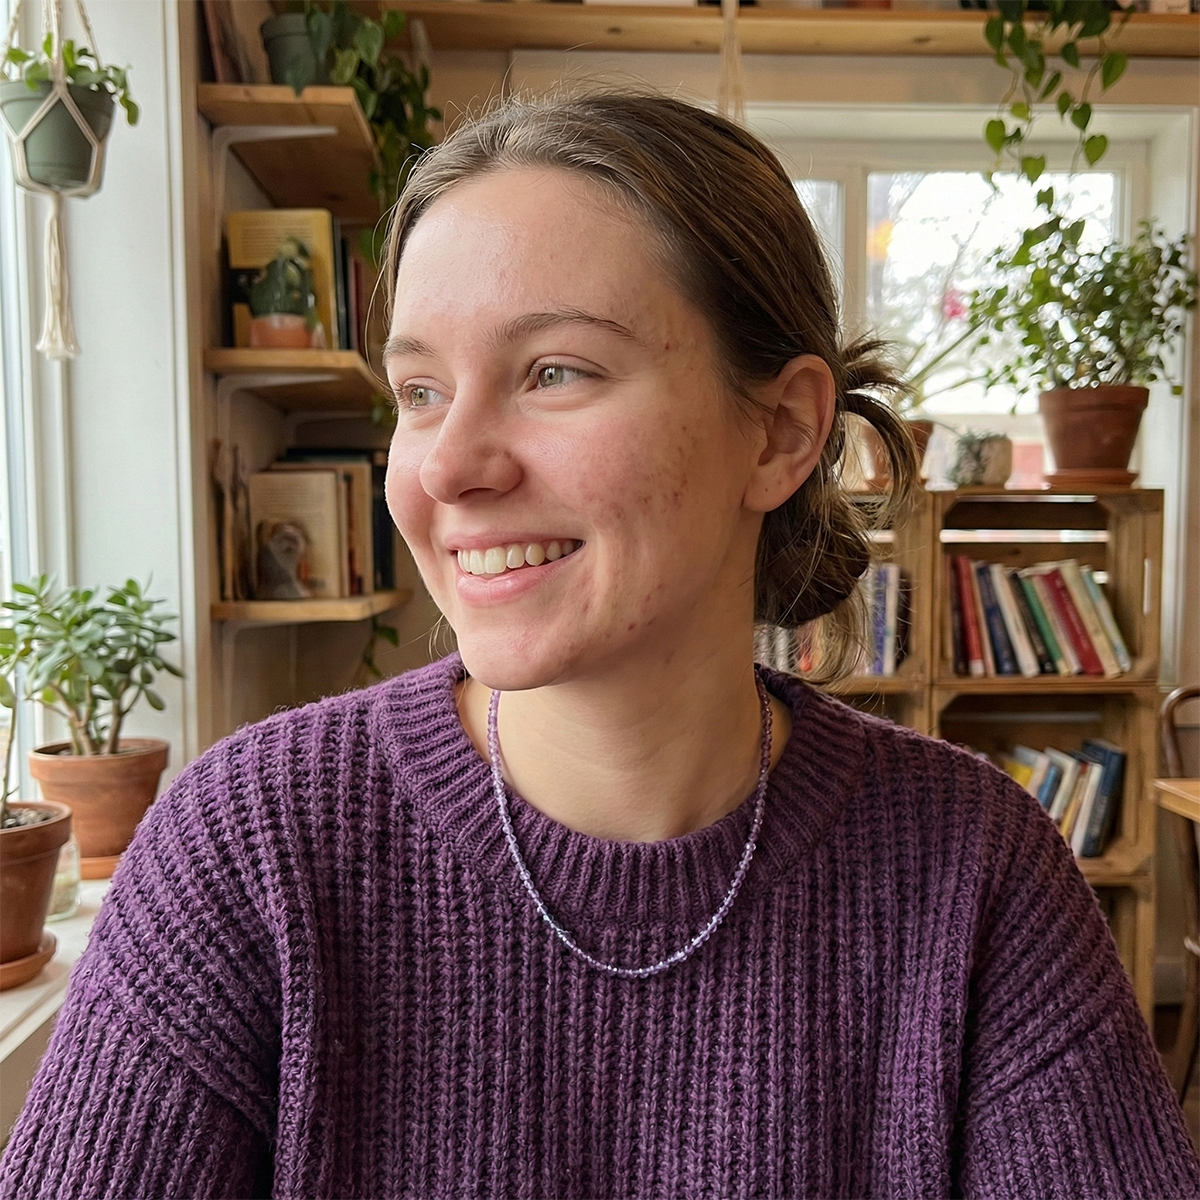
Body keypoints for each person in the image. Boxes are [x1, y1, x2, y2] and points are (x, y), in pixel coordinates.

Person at [2, 91, 1197, 1199]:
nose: (450, 469)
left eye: (554, 371)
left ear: (781, 433)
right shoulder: (246, 851)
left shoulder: (976, 875)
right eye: (419, 392)